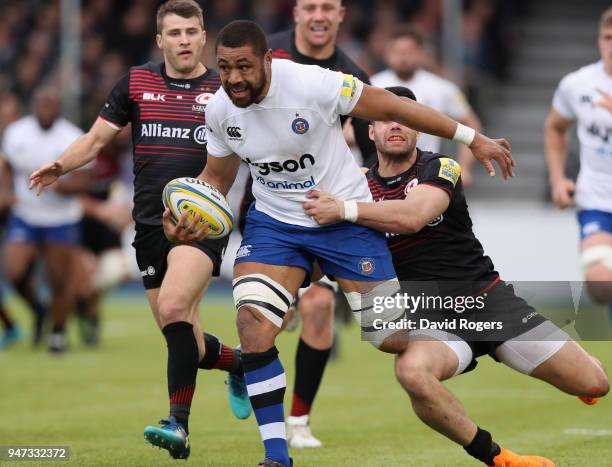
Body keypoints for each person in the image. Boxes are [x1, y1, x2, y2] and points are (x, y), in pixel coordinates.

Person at [169, 20, 513, 467]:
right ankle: (277, 455)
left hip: (343, 216)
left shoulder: (313, 84)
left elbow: (393, 106)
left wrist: (471, 138)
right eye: (224, 67)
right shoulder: (219, 109)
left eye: (244, 67)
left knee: (390, 338)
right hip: (275, 224)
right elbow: (215, 178)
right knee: (253, 324)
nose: (233, 78)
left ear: (267, 61)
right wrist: (186, 215)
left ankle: (464, 330)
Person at [304, 86, 609, 467]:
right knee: (412, 372)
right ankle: (500, 458)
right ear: (371, 131)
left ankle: (572, 373)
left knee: (595, 383)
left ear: (418, 126)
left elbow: (413, 216)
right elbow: (324, 253)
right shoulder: (354, 185)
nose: (395, 125)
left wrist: (345, 210)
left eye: (405, 116)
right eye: (385, 119)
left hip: (487, 301)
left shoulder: (440, 167)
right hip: (428, 317)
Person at [29, 0, 250, 460]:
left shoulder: (223, 91)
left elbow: (233, 164)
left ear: (203, 36)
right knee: (181, 336)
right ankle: (239, 362)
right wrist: (60, 166)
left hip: (200, 224)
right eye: (175, 33)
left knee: (173, 306)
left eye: (191, 31)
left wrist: (211, 207)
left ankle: (179, 426)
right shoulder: (136, 83)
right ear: (160, 40)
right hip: (150, 226)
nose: (184, 40)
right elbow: (95, 140)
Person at [239, 0, 377, 448]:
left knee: (317, 309)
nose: (319, 15)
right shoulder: (266, 55)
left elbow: (369, 152)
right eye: (310, 6)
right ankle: (244, 363)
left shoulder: (352, 76)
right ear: (296, 13)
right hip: (269, 214)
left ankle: (298, 421)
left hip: (324, 213)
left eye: (328, 7)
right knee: (268, 321)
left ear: (341, 15)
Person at [2, 86, 84, 354]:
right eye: (41, 104)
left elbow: (86, 179)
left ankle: (58, 333)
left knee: (58, 278)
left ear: (58, 108)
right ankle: (39, 311)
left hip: (60, 217)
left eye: (51, 105)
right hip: (26, 213)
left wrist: (62, 187)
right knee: (13, 272)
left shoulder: (72, 136)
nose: (45, 110)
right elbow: (7, 166)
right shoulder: (17, 133)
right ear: (34, 105)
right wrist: (6, 193)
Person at [545, 6, 612, 319]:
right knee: (601, 285)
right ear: (599, 40)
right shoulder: (578, 84)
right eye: (608, 37)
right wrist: (558, 179)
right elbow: (556, 127)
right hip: (597, 198)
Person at [371, 24, 481, 187]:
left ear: (422, 53)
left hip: (426, 177)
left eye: (409, 51)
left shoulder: (443, 88)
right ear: (387, 54)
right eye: (397, 52)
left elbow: (472, 124)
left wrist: (464, 167)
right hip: (380, 177)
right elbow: (349, 128)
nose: (403, 57)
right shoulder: (371, 87)